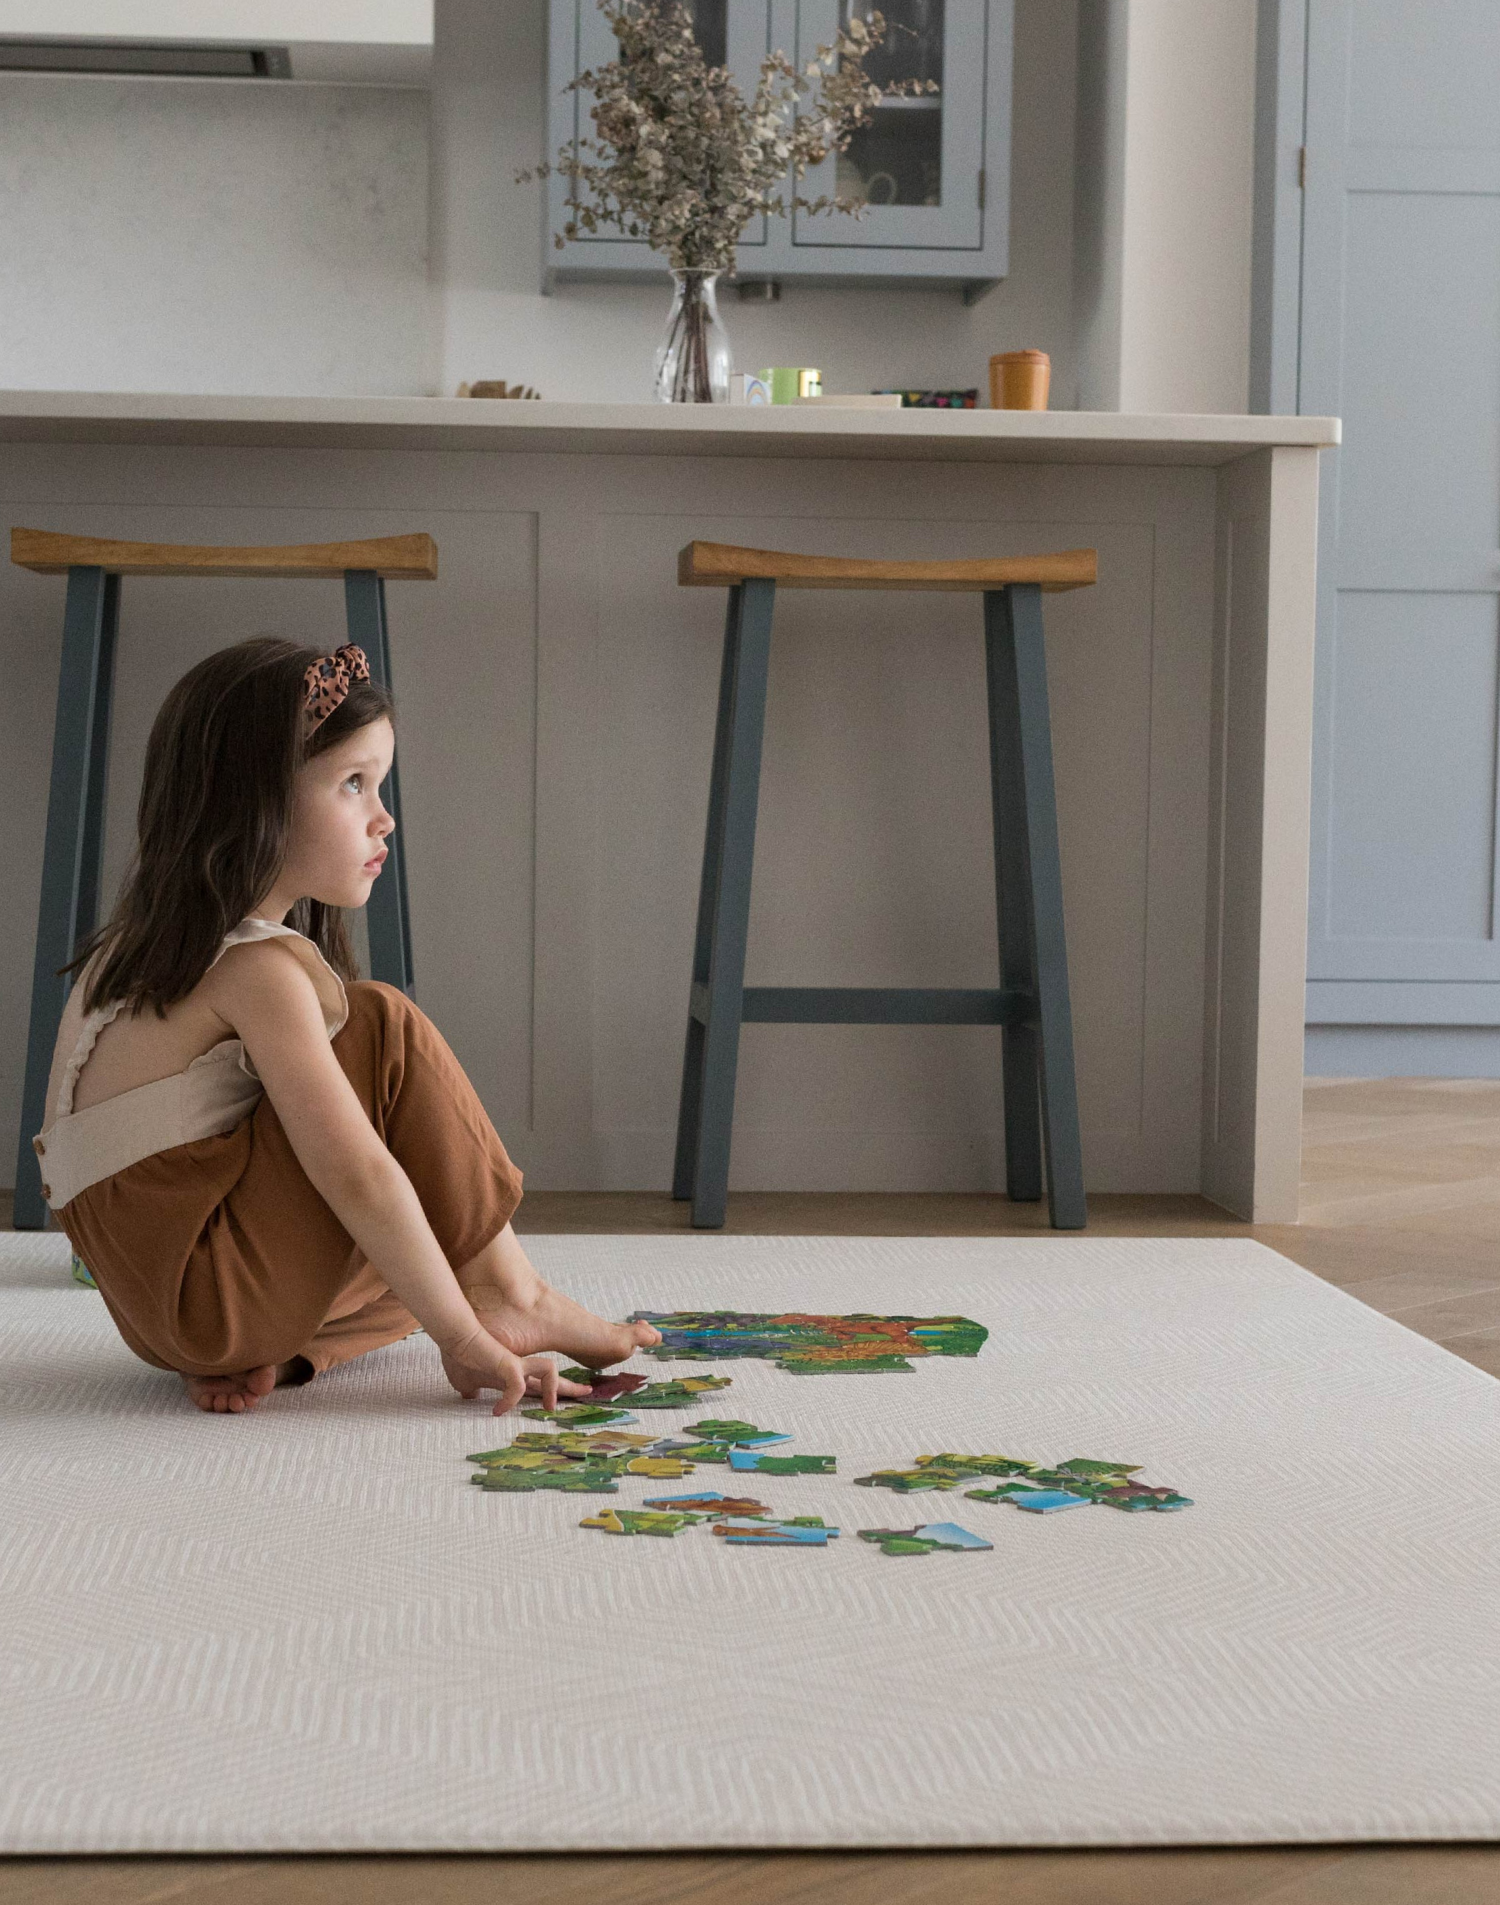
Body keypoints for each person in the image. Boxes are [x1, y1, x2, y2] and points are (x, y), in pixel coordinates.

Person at [31, 636, 659, 1417]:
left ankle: (299, 1354)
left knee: (423, 1251)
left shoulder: (131, 948)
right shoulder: (254, 970)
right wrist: (461, 1340)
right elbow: (356, 1173)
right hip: (211, 1293)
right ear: (251, 801)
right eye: (353, 784)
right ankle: (512, 1293)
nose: (383, 818)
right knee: (382, 1023)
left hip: (158, 1310)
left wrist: (439, 1308)